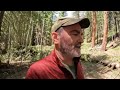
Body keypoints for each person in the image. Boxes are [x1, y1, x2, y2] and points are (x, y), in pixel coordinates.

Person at [25, 17, 90, 79]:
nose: (81, 40)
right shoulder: (38, 71)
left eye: (81, 34)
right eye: (75, 34)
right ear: (55, 38)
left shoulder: (77, 63)